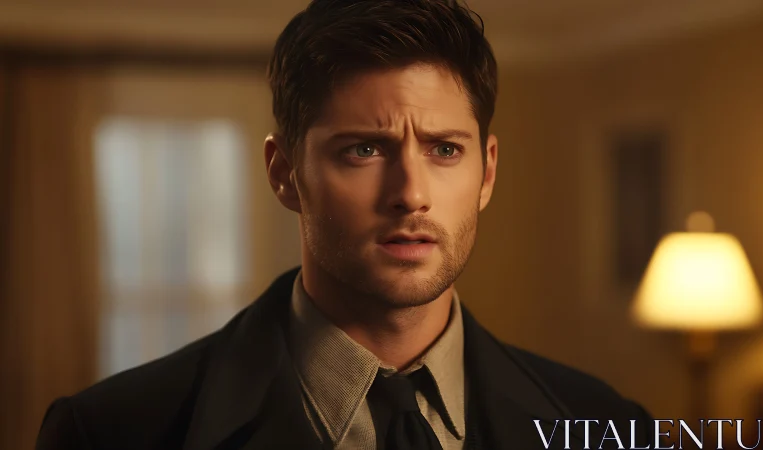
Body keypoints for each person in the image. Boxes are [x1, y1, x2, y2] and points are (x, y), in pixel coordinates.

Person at [36, 1, 656, 449]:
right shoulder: (110, 432)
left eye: (444, 150)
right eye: (364, 150)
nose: (410, 195)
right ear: (285, 173)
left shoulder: (605, 425)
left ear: (487, 173)